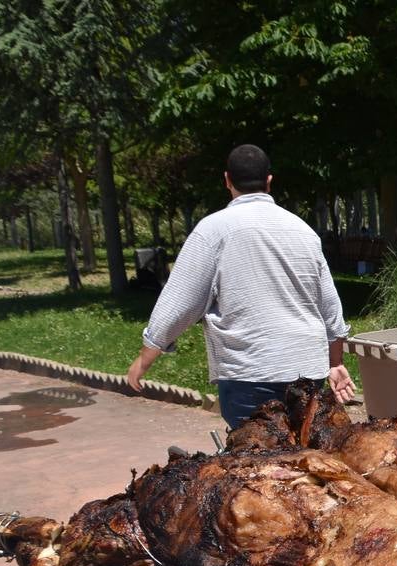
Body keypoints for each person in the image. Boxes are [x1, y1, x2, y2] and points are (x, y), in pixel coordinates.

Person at [126, 144, 355, 427]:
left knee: (255, 453)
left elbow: (180, 302)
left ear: (227, 180)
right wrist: (335, 363)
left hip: (250, 372)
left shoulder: (213, 230)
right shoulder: (302, 230)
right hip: (307, 369)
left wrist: (145, 358)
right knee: (302, 448)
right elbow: (330, 307)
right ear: (269, 181)